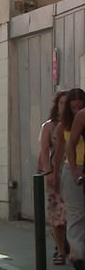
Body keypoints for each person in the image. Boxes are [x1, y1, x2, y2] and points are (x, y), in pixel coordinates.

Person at [54, 88, 85, 270]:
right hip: (73, 169)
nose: (76, 110)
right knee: (76, 214)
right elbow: (61, 150)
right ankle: (78, 256)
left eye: (79, 106)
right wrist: (56, 174)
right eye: (73, 107)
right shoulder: (63, 126)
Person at [37, 91, 68, 265]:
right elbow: (43, 151)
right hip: (56, 173)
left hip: (72, 172)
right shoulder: (48, 126)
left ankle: (67, 245)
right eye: (62, 103)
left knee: (72, 214)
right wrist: (48, 173)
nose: (65, 106)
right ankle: (61, 251)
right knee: (57, 214)